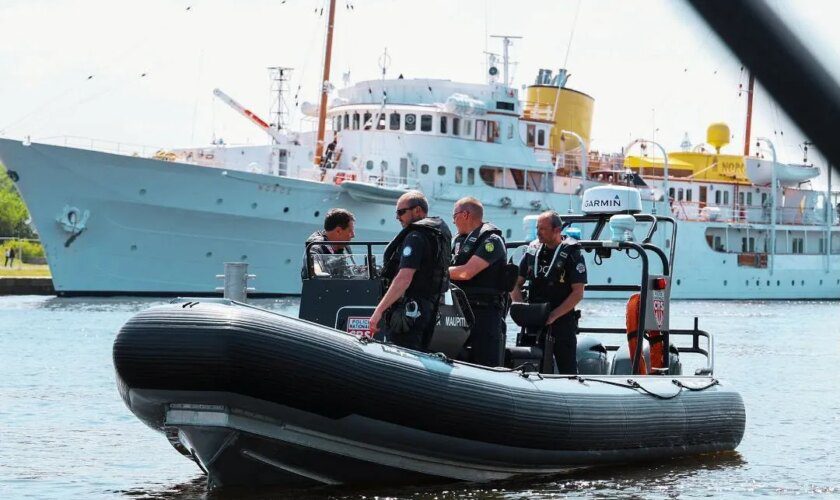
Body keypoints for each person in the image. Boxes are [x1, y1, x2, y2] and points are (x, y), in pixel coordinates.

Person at [369, 190, 452, 350]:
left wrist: (379, 310)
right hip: (429, 308)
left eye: (401, 212)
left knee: (402, 354)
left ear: (418, 210)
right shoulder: (439, 234)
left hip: (409, 312)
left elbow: (404, 277)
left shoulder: (416, 237)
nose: (398, 217)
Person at [511, 210, 587, 374]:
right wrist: (521, 307)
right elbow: (514, 283)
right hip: (534, 321)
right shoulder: (532, 251)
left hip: (562, 321)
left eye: (543, 229)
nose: (538, 232)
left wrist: (553, 316)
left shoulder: (572, 253)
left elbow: (578, 292)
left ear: (557, 230)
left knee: (568, 369)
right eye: (537, 228)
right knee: (530, 368)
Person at [448, 197, 509, 367]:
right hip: (459, 311)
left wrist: (437, 273)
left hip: (484, 312)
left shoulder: (491, 241)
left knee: (485, 361)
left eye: (454, 216)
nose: (453, 221)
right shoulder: (458, 241)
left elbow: (466, 272)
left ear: (465, 214)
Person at [301, 208, 356, 279]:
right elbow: (315, 268)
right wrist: (318, 272)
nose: (353, 235)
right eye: (350, 231)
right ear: (338, 231)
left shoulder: (344, 246)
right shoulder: (316, 247)